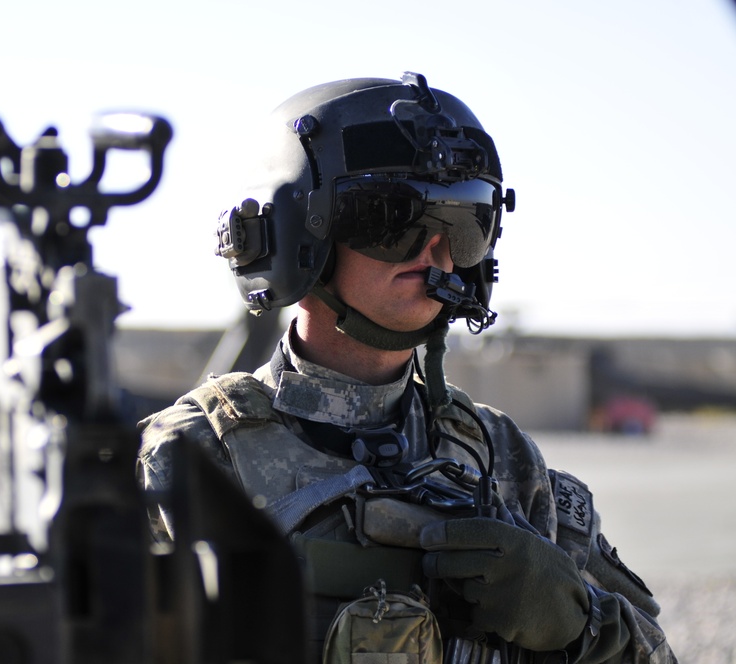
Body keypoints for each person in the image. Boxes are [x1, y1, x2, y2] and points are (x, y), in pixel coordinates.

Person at [137, 73, 676, 663]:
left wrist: (576, 623)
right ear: (295, 234)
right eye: (392, 219)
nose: (436, 253)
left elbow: (655, 653)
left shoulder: (505, 458)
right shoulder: (188, 457)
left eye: (464, 224)